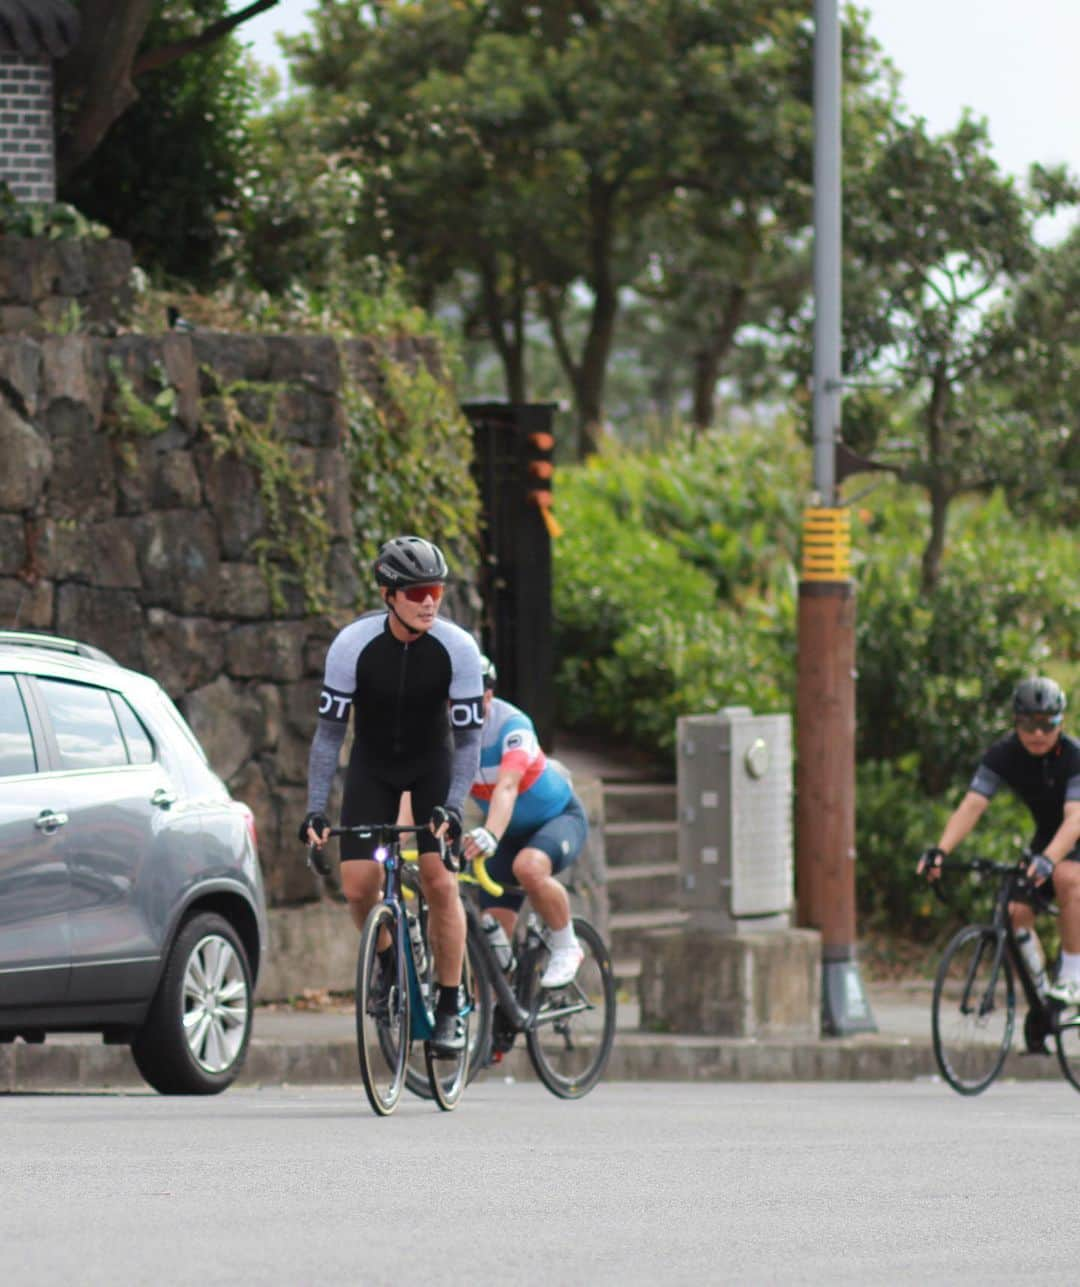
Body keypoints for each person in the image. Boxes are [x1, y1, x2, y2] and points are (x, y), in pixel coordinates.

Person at [299, 536, 484, 1055]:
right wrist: (316, 806)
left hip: (433, 764)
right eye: (417, 591)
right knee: (359, 884)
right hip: (373, 767)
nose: (429, 601)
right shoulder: (352, 646)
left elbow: (468, 741)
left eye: (437, 591)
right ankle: (388, 962)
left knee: (438, 880)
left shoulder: (459, 649)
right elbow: (329, 737)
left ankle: (451, 1005)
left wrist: (452, 803)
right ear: (388, 594)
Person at [918, 677, 1080, 1003]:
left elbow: (1075, 818)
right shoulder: (1003, 754)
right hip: (1048, 839)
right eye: (1028, 724)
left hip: (1072, 834)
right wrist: (941, 850)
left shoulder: (1075, 756)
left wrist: (1047, 860)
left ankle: (1073, 976)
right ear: (1015, 721)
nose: (1037, 734)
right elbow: (973, 804)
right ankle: (1042, 999)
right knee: (1016, 911)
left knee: (1066, 875)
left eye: (1047, 725)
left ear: (1060, 723)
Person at [460, 655, 588, 988]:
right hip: (507, 833)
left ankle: (566, 946)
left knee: (528, 868)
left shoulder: (512, 725)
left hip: (557, 818)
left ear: (489, 695)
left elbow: (507, 786)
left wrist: (489, 832)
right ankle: (499, 1027)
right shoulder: (449, 730)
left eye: (476, 696)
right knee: (491, 958)